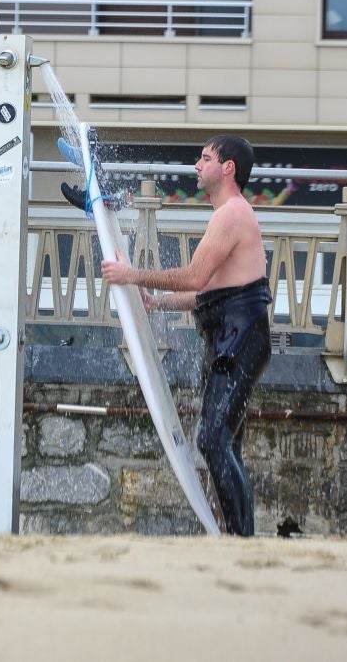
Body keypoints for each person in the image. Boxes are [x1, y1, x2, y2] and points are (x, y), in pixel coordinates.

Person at [100, 134, 271, 536]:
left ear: (227, 168)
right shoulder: (228, 214)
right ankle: (238, 534)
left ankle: (241, 538)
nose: (196, 165)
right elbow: (207, 292)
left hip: (239, 339)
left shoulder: (231, 214)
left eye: (205, 158)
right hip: (231, 336)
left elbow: (193, 277)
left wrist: (131, 275)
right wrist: (155, 303)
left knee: (212, 439)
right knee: (225, 442)